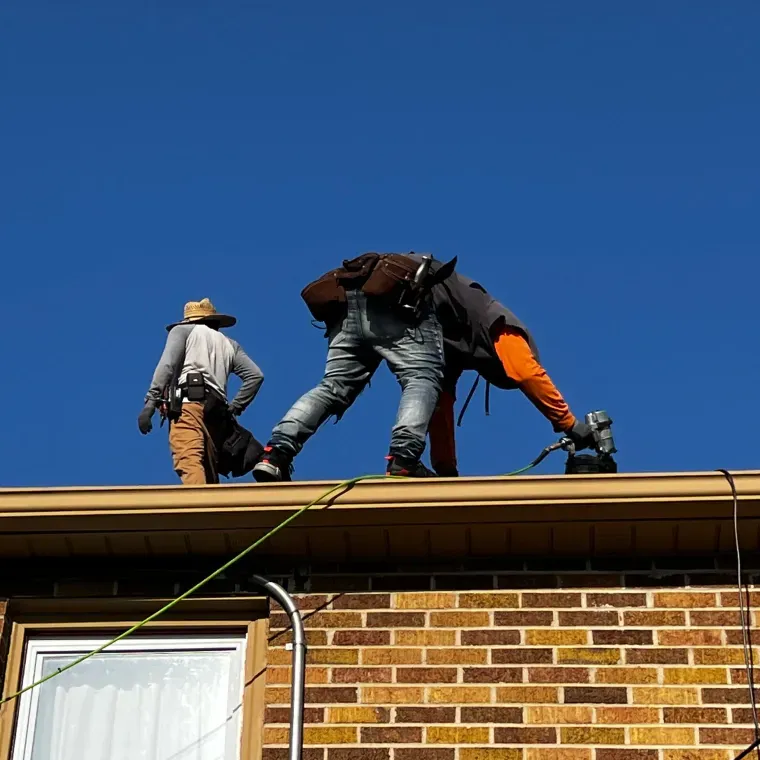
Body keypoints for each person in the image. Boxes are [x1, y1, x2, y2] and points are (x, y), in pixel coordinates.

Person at [252, 253, 446, 482]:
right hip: (395, 302)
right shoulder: (454, 287)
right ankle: (404, 457)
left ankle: (276, 454)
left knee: (333, 386)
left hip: (347, 307)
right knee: (421, 377)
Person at [425, 261, 594, 476]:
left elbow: (440, 402)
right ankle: (403, 457)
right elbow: (526, 373)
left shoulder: (454, 341)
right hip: (410, 288)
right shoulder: (500, 326)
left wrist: (445, 467)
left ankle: (403, 460)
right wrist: (570, 424)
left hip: (405, 303)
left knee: (424, 387)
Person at [138, 298, 264, 484]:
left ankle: (199, 508)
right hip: (217, 412)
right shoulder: (230, 344)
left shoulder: (182, 331)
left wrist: (150, 404)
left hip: (189, 405)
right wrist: (235, 407)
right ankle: (214, 508)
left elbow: (167, 365)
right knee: (208, 464)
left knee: (188, 458)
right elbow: (255, 376)